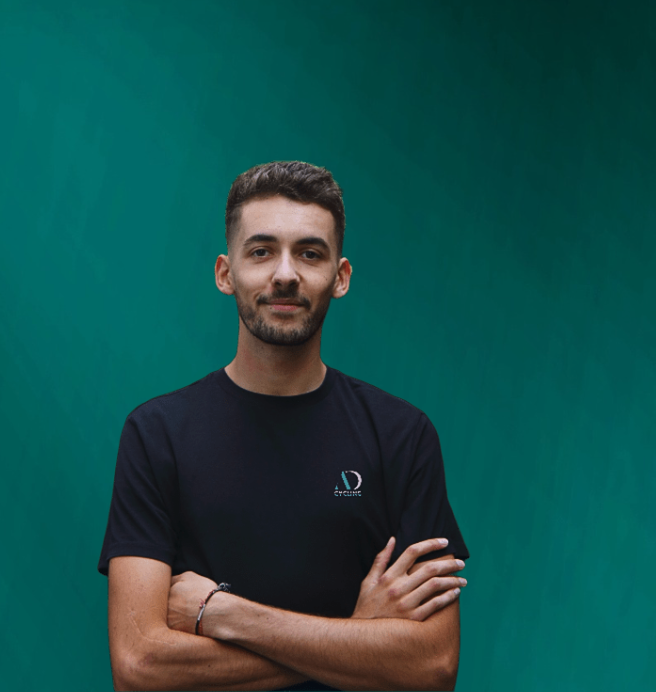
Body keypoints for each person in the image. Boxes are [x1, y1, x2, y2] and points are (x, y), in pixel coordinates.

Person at [98, 160, 471, 691]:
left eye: (310, 253)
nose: (286, 274)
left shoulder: (402, 437)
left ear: (339, 277)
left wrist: (224, 614)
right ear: (226, 273)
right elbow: (140, 667)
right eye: (262, 251)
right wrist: (356, 637)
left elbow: (432, 667)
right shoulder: (157, 434)